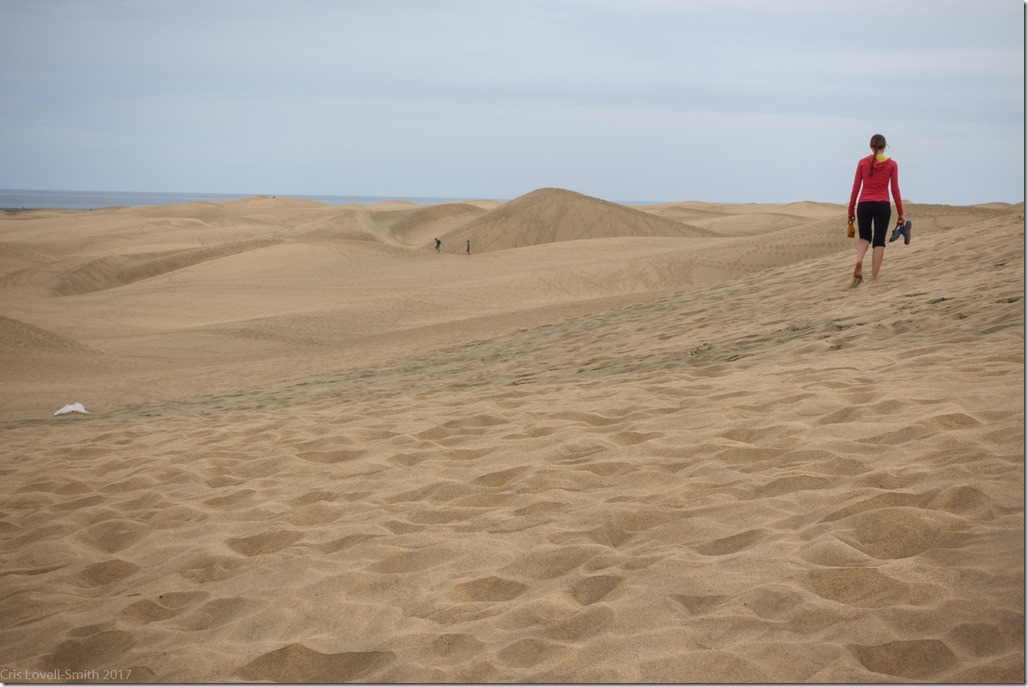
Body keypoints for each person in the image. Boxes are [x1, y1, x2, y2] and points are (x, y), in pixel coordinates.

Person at [847, 133, 905, 282]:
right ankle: (873, 278)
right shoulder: (892, 165)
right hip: (882, 205)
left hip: (864, 205)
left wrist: (851, 210)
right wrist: (900, 213)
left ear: (870, 146)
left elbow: (855, 188)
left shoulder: (862, 163)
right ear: (885, 147)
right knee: (879, 241)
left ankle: (859, 259)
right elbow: (895, 190)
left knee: (864, 237)